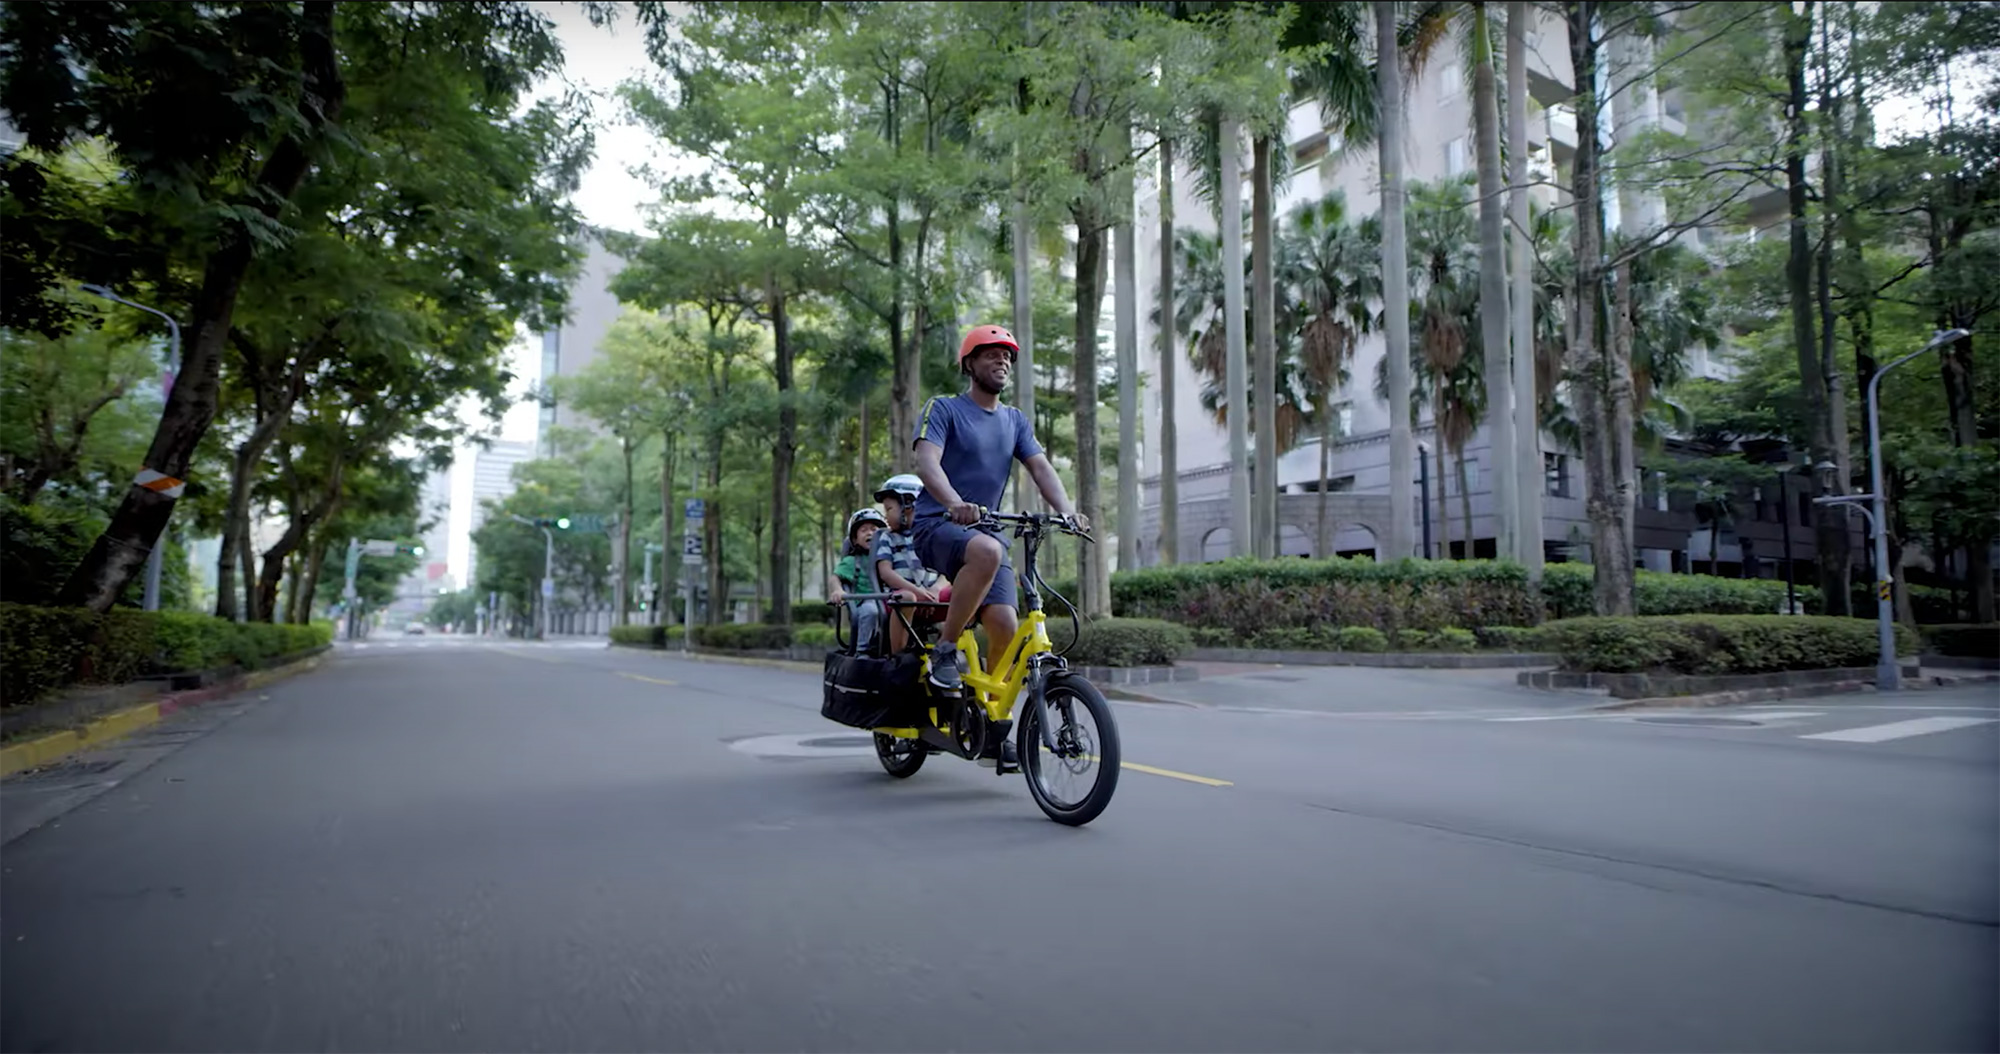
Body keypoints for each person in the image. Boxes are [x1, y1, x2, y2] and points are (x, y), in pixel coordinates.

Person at [911, 324, 1089, 693]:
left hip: (985, 531)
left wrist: (1067, 511)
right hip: (937, 525)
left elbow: (1040, 467)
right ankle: (945, 649)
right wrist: (954, 503)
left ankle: (990, 721)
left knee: (1006, 628)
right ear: (969, 364)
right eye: (991, 353)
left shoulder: (1014, 420)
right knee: (989, 550)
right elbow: (927, 463)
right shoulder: (944, 409)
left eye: (1007, 355)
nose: (1002, 360)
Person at [870, 473, 945, 657]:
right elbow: (886, 573)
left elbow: (947, 572)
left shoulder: (933, 535)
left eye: (888, 509)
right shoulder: (888, 537)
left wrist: (935, 590)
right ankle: (899, 657)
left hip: (932, 596)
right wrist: (918, 593)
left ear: (909, 505)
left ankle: (949, 650)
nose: (885, 516)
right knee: (906, 597)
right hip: (901, 598)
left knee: (965, 593)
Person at [829, 508, 889, 652]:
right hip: (867, 601)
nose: (870, 533)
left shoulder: (888, 557)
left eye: (874, 529)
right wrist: (838, 590)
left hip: (890, 599)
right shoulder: (853, 561)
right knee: (871, 611)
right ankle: (863, 650)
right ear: (855, 539)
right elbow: (835, 577)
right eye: (864, 530)